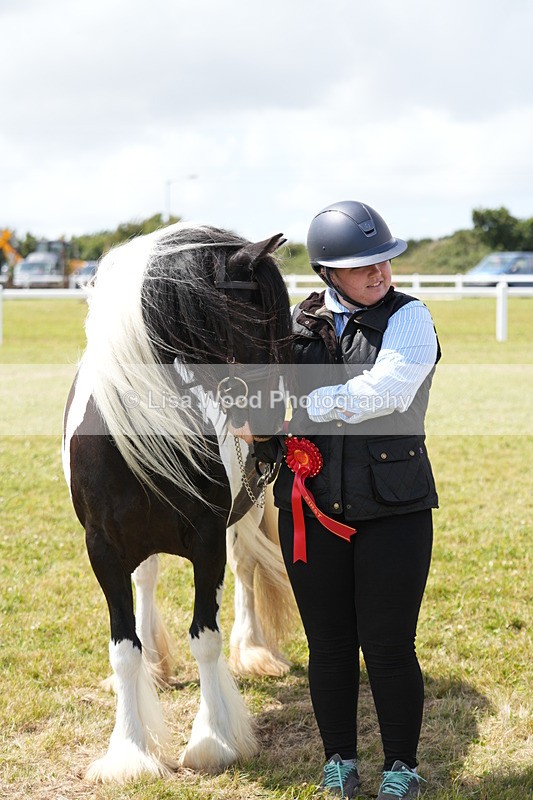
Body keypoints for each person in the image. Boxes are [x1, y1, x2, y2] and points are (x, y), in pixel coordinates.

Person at [260, 201, 440, 799]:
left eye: (383, 261)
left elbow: (385, 391)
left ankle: (401, 767)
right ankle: (338, 760)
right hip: (310, 510)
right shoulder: (294, 323)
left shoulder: (410, 318)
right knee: (329, 645)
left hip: (395, 510)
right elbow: (258, 387)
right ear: (328, 273)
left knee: (389, 645)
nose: (379, 274)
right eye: (363, 266)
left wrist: (290, 412)